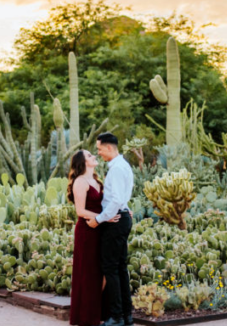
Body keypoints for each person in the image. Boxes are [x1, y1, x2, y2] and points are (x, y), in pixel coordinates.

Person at [68, 150, 120, 326]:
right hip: (87, 232)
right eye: (90, 156)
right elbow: (80, 211)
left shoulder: (97, 181)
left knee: (103, 271)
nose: (94, 157)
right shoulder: (80, 182)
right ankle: (87, 316)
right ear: (83, 162)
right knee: (88, 272)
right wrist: (105, 217)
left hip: (100, 230)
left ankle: (96, 312)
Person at [87, 133, 134, 326]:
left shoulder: (116, 169)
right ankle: (126, 315)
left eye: (99, 149)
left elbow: (115, 200)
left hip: (115, 221)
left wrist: (98, 220)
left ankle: (116, 317)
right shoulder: (123, 165)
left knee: (111, 268)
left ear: (108, 148)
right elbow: (122, 197)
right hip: (122, 217)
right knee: (120, 268)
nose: (98, 153)